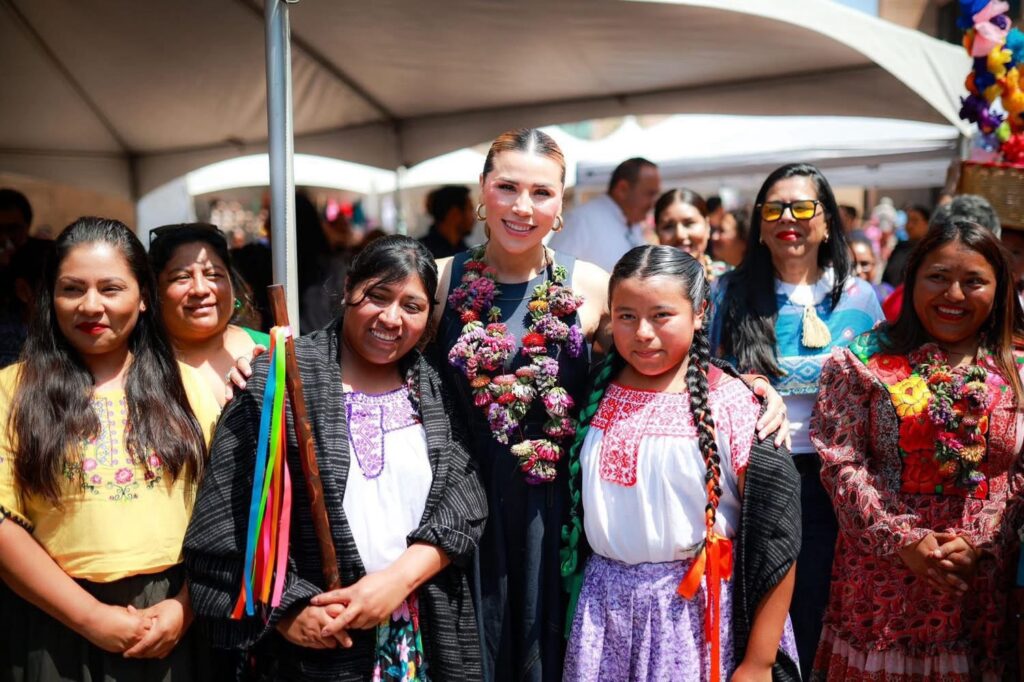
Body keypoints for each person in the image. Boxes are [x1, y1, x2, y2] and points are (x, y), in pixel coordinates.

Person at [434, 129, 790, 682]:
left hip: (556, 518)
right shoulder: (438, 281)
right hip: (461, 510)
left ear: (561, 203)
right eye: (507, 187)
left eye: (542, 192)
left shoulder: (592, 285)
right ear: (483, 188)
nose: (523, 206)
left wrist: (748, 388)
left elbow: (657, 356)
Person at [184, 236, 487, 680]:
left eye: (412, 306)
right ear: (348, 289)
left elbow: (465, 502)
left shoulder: (437, 390)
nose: (391, 318)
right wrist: (286, 614)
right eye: (377, 296)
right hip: (315, 647)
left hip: (421, 638)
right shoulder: (276, 382)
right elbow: (222, 528)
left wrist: (397, 581)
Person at [561, 245, 800, 681]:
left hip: (696, 623)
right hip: (604, 617)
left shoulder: (733, 404)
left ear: (700, 312)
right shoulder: (592, 390)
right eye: (627, 316)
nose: (643, 333)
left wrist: (759, 662)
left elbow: (777, 539)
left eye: (662, 315)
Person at [0, 217, 219, 681]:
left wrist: (185, 607)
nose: (91, 305)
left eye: (111, 288)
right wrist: (90, 618)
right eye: (72, 289)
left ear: (143, 297)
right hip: (53, 622)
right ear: (49, 297)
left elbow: (221, 515)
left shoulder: (188, 388)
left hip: (173, 624)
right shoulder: (11, 391)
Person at [810, 218, 1024, 680]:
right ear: (912, 279)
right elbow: (841, 462)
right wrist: (902, 540)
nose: (954, 295)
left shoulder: (1017, 365)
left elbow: (1020, 475)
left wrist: (981, 541)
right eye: (938, 277)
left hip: (979, 583)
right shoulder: (860, 361)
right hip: (881, 584)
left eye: (974, 281)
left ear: (1000, 288)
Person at [710, 162, 884, 676]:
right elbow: (709, 373)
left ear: (827, 222)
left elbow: (883, 389)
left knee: (822, 608)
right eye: (774, 209)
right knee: (758, 612)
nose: (788, 218)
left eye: (803, 207)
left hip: (838, 482)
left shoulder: (859, 297)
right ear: (760, 225)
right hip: (756, 478)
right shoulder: (728, 295)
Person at [148, 223, 268, 406]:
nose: (200, 289)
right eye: (182, 277)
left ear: (232, 284)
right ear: (153, 291)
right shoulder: (134, 365)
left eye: (213, 275)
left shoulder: (271, 349)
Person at [547, 157, 659, 272]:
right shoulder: (581, 220)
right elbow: (553, 271)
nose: (654, 202)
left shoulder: (634, 224)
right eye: (649, 194)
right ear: (623, 189)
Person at [652, 188, 730, 282]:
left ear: (707, 226)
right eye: (668, 227)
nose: (680, 235)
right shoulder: (647, 286)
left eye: (689, 223)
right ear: (657, 232)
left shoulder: (731, 281)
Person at [418, 185, 476, 259]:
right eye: (470, 210)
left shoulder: (467, 253)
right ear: (454, 213)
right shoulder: (419, 254)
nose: (474, 218)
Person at [882, 204, 931, 287]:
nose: (910, 225)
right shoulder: (900, 248)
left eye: (915, 221)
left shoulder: (930, 251)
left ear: (927, 224)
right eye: (908, 220)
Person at [849, 235, 893, 304]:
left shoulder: (886, 293)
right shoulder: (839, 297)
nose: (858, 270)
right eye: (852, 265)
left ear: (875, 263)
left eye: (864, 264)